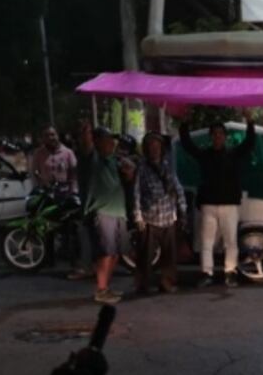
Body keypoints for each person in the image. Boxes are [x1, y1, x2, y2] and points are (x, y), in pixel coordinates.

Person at [178, 112, 257, 288]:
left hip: (229, 204)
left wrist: (250, 122)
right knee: (206, 242)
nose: (218, 137)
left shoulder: (233, 154)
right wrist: (184, 124)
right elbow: (188, 145)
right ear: (211, 137)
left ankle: (230, 272)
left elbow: (249, 143)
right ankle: (207, 272)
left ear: (225, 137)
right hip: (208, 204)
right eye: (215, 134)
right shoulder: (204, 155)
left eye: (221, 134)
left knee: (231, 241)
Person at [31, 125, 93, 280]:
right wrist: (39, 187)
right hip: (48, 196)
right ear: (43, 138)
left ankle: (74, 261)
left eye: (53, 134)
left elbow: (74, 174)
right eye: (47, 135)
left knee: (69, 229)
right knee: (47, 228)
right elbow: (34, 173)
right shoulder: (39, 154)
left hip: (67, 196)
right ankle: (48, 259)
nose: (50, 138)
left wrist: (74, 192)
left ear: (57, 135)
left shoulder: (67, 153)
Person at [78, 124, 129, 304]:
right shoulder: (92, 159)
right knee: (105, 253)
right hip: (101, 212)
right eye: (107, 139)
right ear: (97, 141)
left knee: (115, 253)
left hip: (118, 212)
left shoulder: (113, 161)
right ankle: (100, 290)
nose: (111, 143)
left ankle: (105, 287)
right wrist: (86, 132)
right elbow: (86, 146)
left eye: (112, 140)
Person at [132, 132, 186, 295]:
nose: (154, 149)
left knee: (169, 256)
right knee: (145, 256)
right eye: (151, 146)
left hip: (168, 216)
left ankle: (166, 283)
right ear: (146, 149)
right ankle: (143, 285)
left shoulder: (167, 166)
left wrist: (182, 210)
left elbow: (178, 189)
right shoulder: (142, 168)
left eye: (157, 146)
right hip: (150, 218)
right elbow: (136, 193)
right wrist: (138, 216)